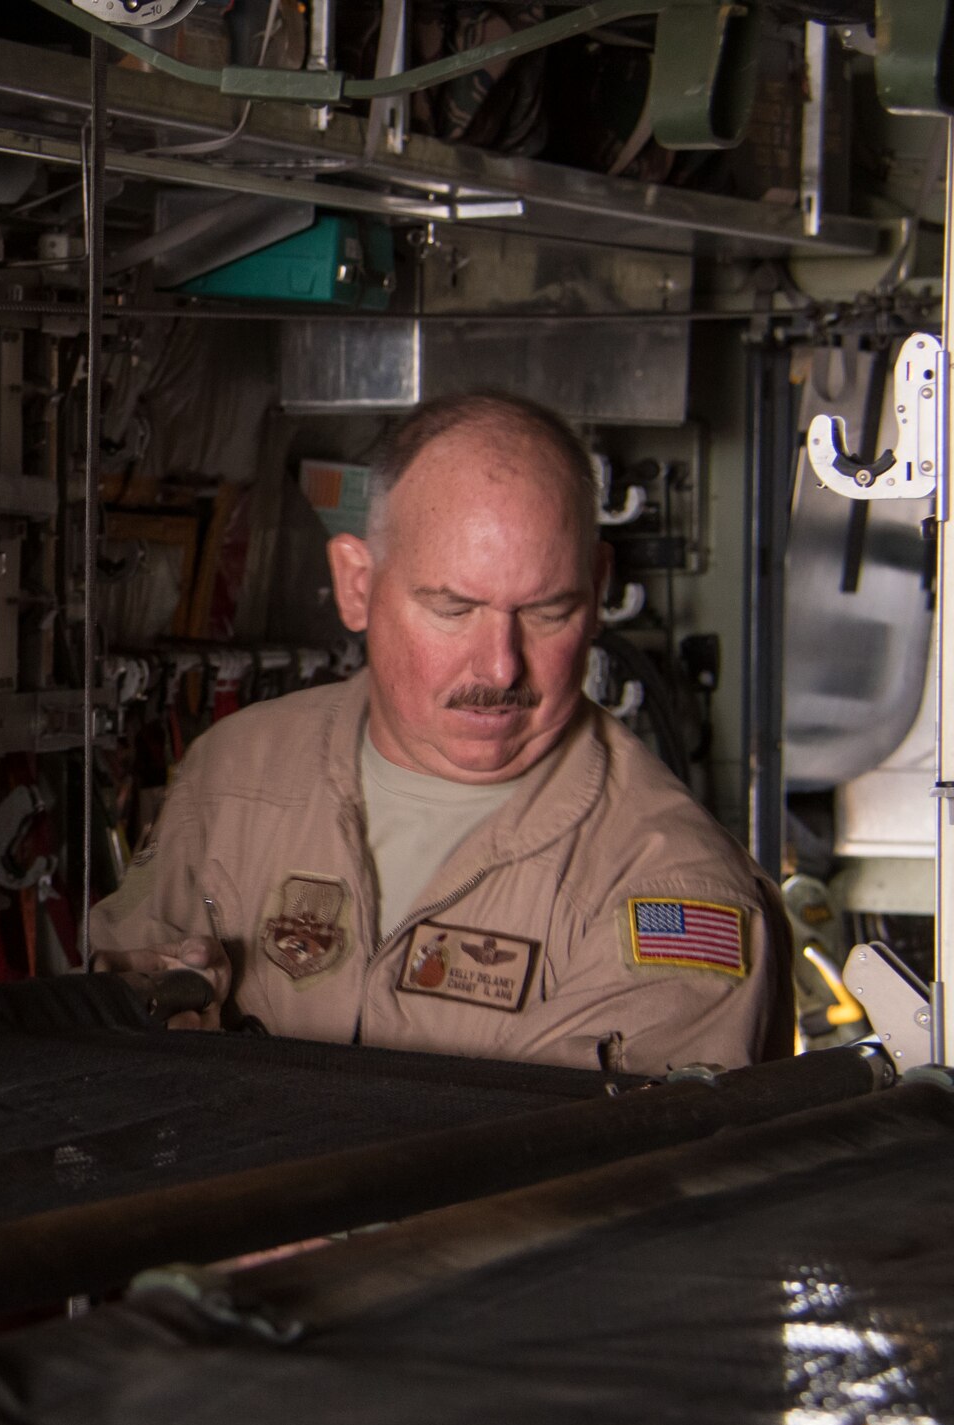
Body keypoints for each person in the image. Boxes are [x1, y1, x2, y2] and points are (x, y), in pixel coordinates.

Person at [90, 392, 787, 1074]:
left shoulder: (671, 889)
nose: (501, 663)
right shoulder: (234, 774)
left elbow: (580, 1181)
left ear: (598, 589)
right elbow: (104, 1046)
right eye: (453, 608)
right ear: (357, 584)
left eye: (547, 611)